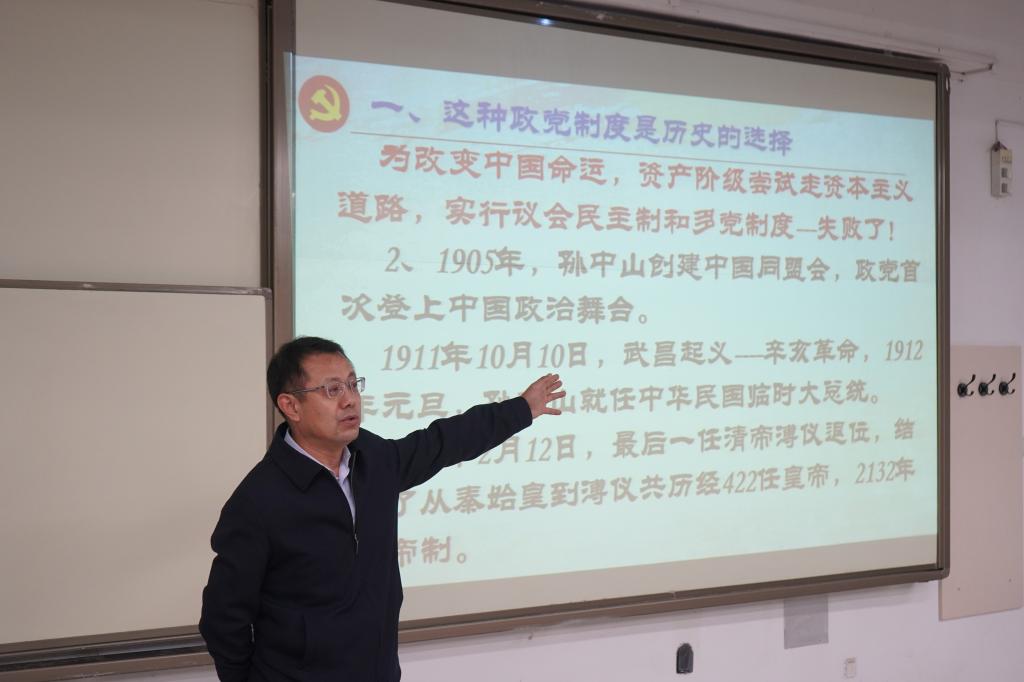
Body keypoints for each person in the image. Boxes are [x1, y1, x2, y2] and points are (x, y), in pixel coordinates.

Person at [199, 336, 565, 681]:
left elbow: (443, 442)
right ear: (290, 405)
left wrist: (521, 409)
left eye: (353, 384)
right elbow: (223, 618)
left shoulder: (373, 459)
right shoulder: (259, 501)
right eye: (332, 390)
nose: (350, 400)